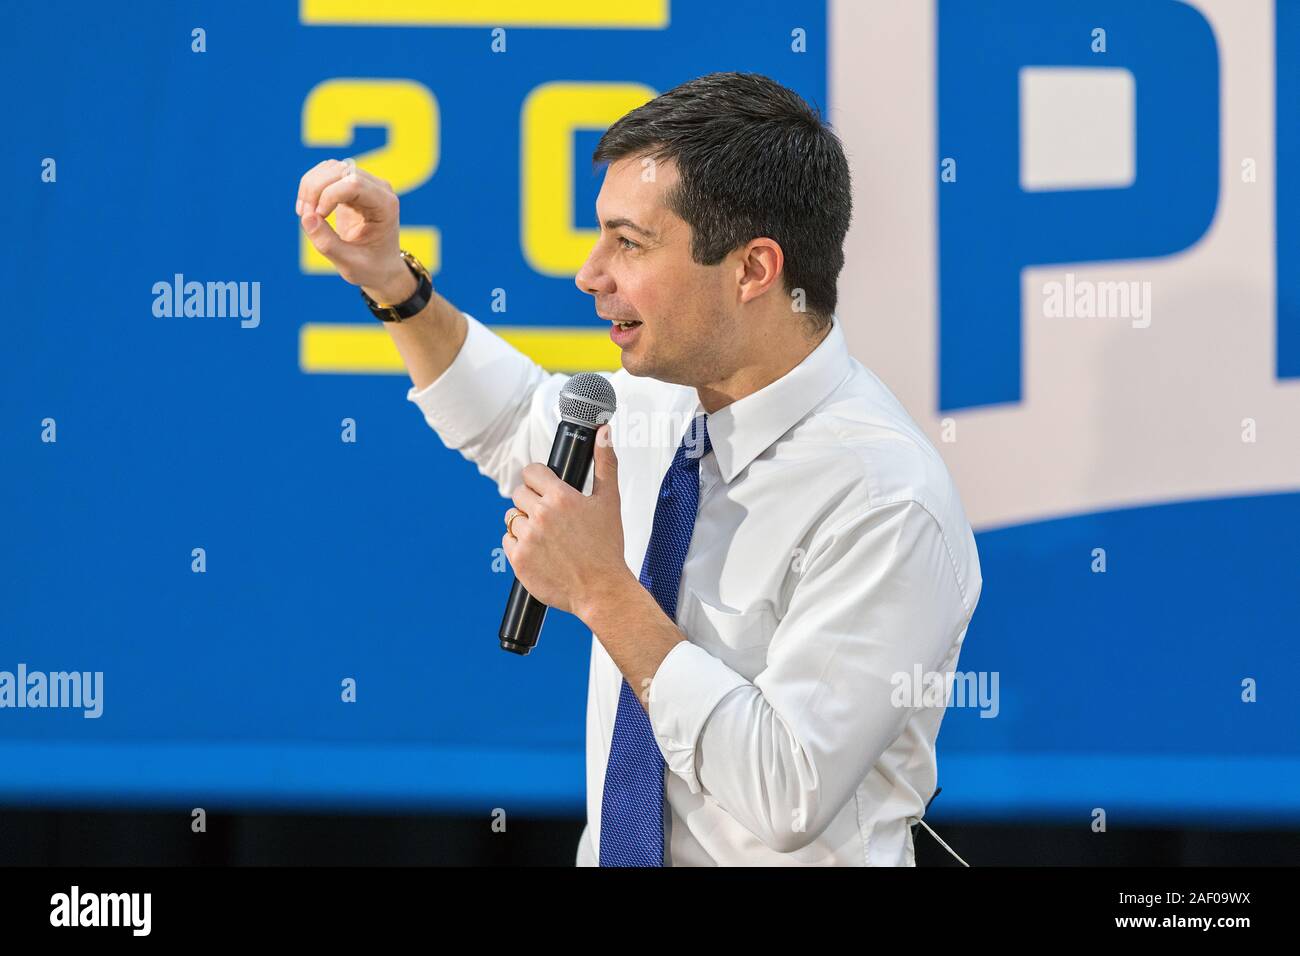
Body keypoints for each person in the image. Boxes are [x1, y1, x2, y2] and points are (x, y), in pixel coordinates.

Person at [294, 72, 982, 866]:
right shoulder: (656, 408)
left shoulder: (885, 498)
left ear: (753, 270)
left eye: (629, 242)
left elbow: (788, 787)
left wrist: (603, 594)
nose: (590, 274)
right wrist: (391, 281)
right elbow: (515, 420)